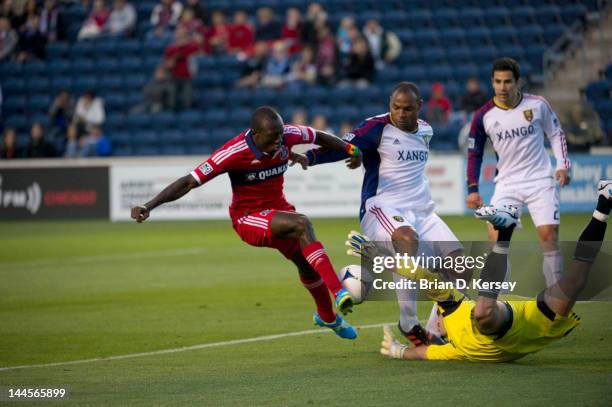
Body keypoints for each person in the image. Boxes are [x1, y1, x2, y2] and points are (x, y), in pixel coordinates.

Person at [131, 106, 363, 339]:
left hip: (279, 212)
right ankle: (339, 290)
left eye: (281, 137)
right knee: (302, 224)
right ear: (256, 134)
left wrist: (351, 149)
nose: (279, 142)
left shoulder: (286, 135)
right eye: (273, 138)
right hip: (248, 218)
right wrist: (148, 206)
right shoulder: (233, 152)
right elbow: (188, 182)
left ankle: (328, 317)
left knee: (307, 265)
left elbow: (319, 136)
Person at [351, 182, 612, 361]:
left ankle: (504, 235)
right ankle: (604, 204)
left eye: (436, 323)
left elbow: (424, 278)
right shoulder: (456, 348)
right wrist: (396, 351)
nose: (437, 324)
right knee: (576, 279)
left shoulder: (455, 311)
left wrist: (382, 258)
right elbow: (424, 353)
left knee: (483, 312)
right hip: (534, 326)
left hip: (499, 324)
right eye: (436, 327)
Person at [304, 82, 466, 346]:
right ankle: (408, 321)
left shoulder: (426, 130)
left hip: (422, 210)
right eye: (396, 107)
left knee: (458, 266)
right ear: (390, 104)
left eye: (407, 109)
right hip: (382, 207)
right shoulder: (376, 128)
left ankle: (437, 326)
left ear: (419, 107)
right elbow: (343, 146)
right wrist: (310, 157)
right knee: (407, 240)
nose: (400, 113)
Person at [467, 58, 571, 288]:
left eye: (507, 82)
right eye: (497, 82)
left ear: (518, 82)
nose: (502, 87)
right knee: (496, 241)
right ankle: (499, 299)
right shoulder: (483, 115)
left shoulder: (537, 105)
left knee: (549, 237)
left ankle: (557, 298)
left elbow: (556, 133)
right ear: (492, 82)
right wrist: (472, 189)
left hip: (540, 180)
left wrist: (563, 165)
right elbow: (474, 153)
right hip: (506, 184)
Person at [163, 25, 200, 109]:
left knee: (187, 101)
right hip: (174, 77)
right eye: (178, 32)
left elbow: (200, 52)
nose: (180, 34)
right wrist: (174, 59)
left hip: (187, 77)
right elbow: (167, 65)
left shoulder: (191, 46)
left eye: (182, 33)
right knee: (171, 101)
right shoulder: (170, 49)